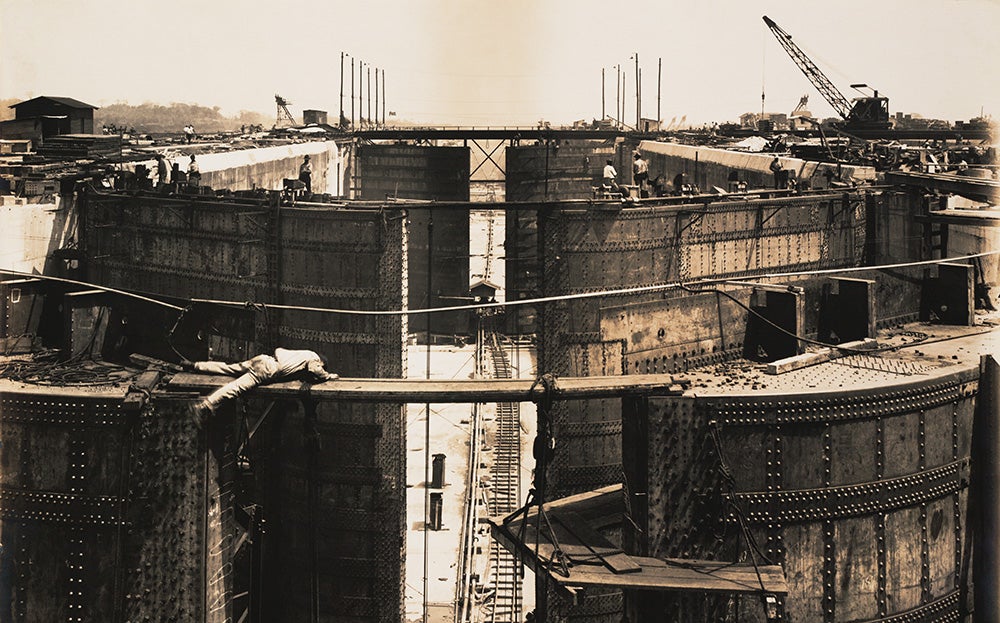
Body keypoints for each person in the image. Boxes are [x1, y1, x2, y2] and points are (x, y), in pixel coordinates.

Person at [185, 347, 339, 418]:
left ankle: (195, 365)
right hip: (268, 368)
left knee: (230, 369)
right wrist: (327, 376)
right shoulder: (314, 359)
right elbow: (315, 369)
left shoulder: (304, 353)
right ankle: (204, 406)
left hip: (264, 359)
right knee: (236, 387)